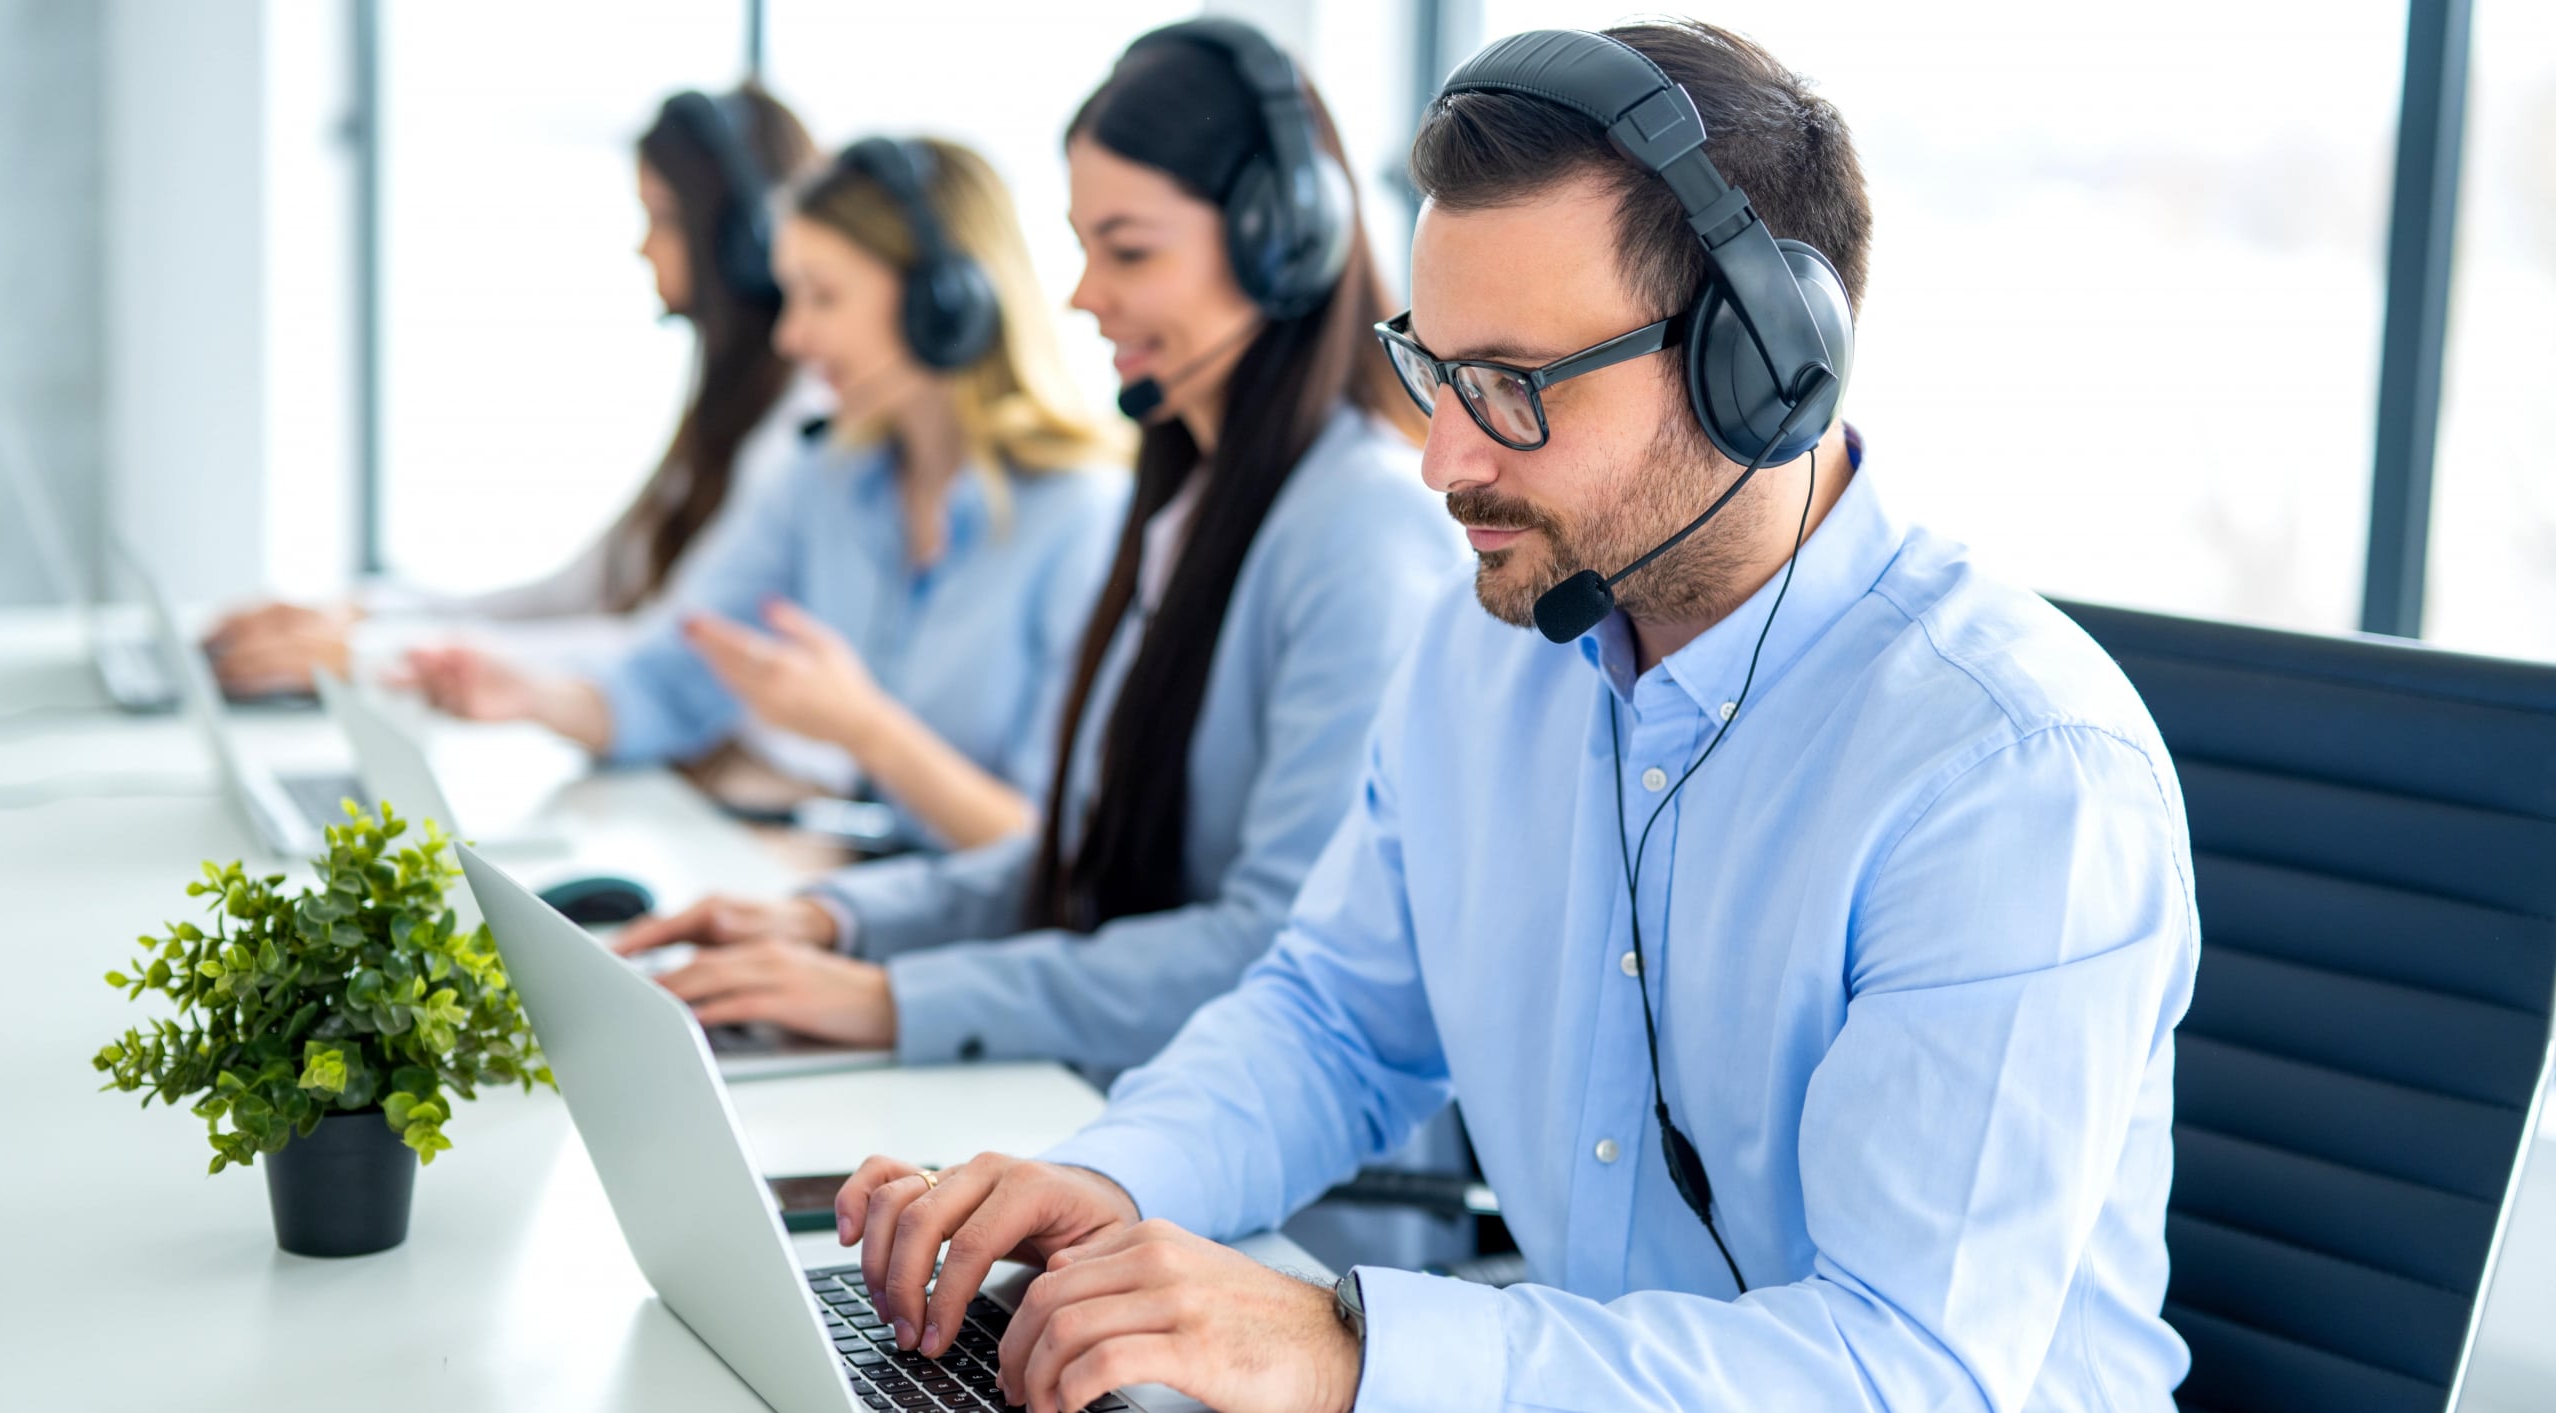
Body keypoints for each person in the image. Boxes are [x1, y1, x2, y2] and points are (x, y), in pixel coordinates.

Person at [822, 21, 2200, 1413]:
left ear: (1762, 371)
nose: (1442, 458)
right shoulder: (1485, 652)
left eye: (1513, 389)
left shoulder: (2014, 779)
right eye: (1434, 367)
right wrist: (1109, 1179)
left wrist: (1351, 1349)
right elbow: (1334, 1018)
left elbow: (1902, 1376)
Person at [609, 19, 1460, 1083]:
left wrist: (892, 999)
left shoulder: (1357, 530)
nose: (1080, 296)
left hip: (1273, 1203)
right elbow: (1080, 865)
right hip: (1109, 1104)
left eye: (1129, 250)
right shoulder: (1185, 506)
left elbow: (1272, 947)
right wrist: (834, 924)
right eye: (1081, 247)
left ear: (1281, 242)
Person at [406, 136, 1127, 852]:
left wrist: (866, 730)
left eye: (824, 296)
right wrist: (532, 695)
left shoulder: (1082, 517)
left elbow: (1055, 855)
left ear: (942, 304)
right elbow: (672, 674)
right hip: (868, 895)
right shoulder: (826, 476)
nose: (793, 336)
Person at [206, 86, 828, 693]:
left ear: (746, 243)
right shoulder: (722, 412)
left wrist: (373, 655)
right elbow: (569, 597)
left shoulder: (795, 433)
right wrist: (361, 614)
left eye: (663, 218)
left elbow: (663, 644)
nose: (642, 247)